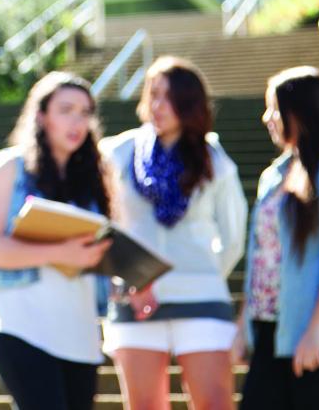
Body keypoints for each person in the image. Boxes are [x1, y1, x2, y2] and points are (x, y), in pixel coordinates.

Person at [100, 56, 248, 410]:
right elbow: (105, 228)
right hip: (135, 300)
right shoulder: (118, 153)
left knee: (215, 403)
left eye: (169, 97)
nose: (158, 105)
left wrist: (203, 275)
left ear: (189, 104)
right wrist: (127, 279)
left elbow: (234, 236)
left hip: (200, 297)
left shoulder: (214, 158)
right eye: (153, 94)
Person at [0, 71, 114, 410]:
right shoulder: (7, 167)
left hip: (81, 336)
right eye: (66, 110)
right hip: (22, 328)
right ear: (41, 115)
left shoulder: (94, 179)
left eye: (85, 112)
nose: (77, 121)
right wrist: (61, 252)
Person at [234, 66, 319, 410]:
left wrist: (316, 331)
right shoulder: (273, 175)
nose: (267, 118)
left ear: (302, 113)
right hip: (270, 332)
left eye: (275, 109)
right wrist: (243, 326)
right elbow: (262, 257)